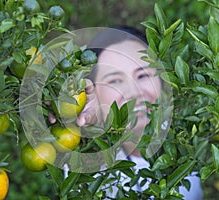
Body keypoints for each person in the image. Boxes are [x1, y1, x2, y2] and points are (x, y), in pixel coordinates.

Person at [74, 26, 204, 199]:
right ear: (93, 91)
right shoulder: (87, 169)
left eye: (142, 75)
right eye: (115, 81)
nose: (134, 92)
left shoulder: (192, 131)